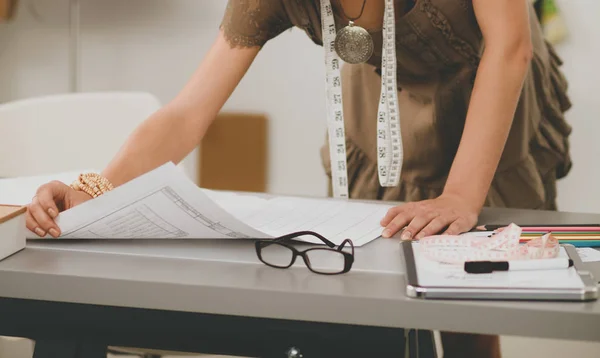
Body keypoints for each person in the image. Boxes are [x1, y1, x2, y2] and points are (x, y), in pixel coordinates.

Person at [25, 0, 572, 357]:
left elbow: (512, 44)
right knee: (380, 278)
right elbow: (188, 113)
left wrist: (460, 193)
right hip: (383, 93)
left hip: (486, 80)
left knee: (463, 297)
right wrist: (93, 188)